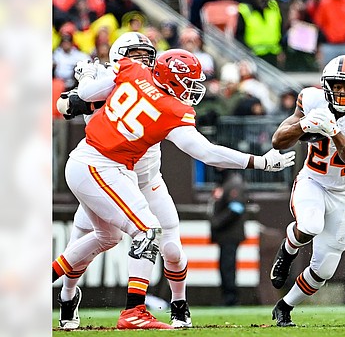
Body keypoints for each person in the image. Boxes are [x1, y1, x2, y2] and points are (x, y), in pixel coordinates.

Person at [52, 48, 296, 330]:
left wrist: (88, 79)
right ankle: (133, 311)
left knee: (107, 236)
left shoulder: (132, 69)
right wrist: (261, 161)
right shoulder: (171, 108)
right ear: (173, 78)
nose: (193, 89)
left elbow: (82, 97)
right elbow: (206, 152)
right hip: (102, 167)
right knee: (146, 230)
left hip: (94, 163)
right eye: (189, 81)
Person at [268, 55, 345, 326]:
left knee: (325, 269)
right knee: (309, 225)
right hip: (314, 181)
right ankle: (288, 251)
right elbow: (278, 141)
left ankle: (284, 306)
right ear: (325, 85)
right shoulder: (311, 100)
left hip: (344, 192)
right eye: (337, 85)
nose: (343, 92)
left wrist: (335, 132)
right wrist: (302, 126)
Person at [209, 172, 248, 306]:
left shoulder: (233, 183)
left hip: (230, 234)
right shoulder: (227, 183)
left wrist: (217, 222)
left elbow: (236, 208)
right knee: (225, 266)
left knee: (227, 266)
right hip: (226, 234)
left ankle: (231, 298)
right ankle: (228, 297)